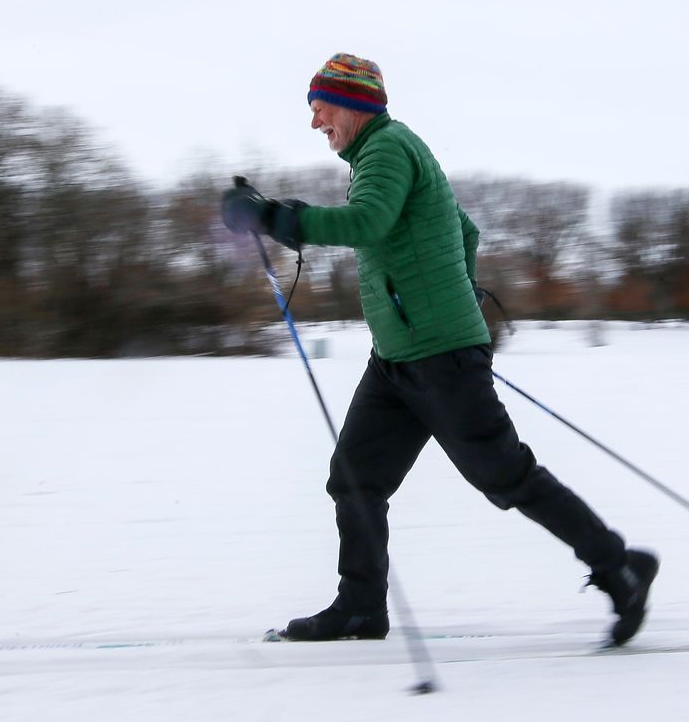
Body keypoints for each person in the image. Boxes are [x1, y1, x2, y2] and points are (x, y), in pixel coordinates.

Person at [221, 53, 659, 647]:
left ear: (354, 103)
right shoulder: (383, 154)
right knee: (355, 479)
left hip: (441, 357)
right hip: (398, 359)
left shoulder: (387, 148)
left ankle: (619, 567)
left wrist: (274, 218)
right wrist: (450, 287)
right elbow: (466, 230)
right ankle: (359, 609)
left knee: (506, 476)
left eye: (321, 106)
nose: (315, 120)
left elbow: (368, 223)